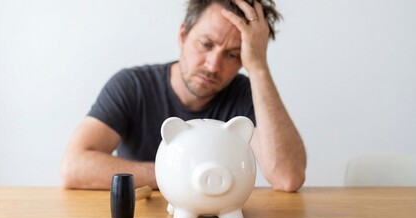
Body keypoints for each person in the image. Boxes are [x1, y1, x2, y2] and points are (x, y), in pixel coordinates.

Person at [60, 0, 306, 192]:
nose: (212, 65)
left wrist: (259, 68)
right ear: (183, 34)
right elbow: (74, 167)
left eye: (233, 55)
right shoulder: (132, 85)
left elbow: (287, 177)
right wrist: (177, 172)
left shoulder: (244, 93)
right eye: (206, 44)